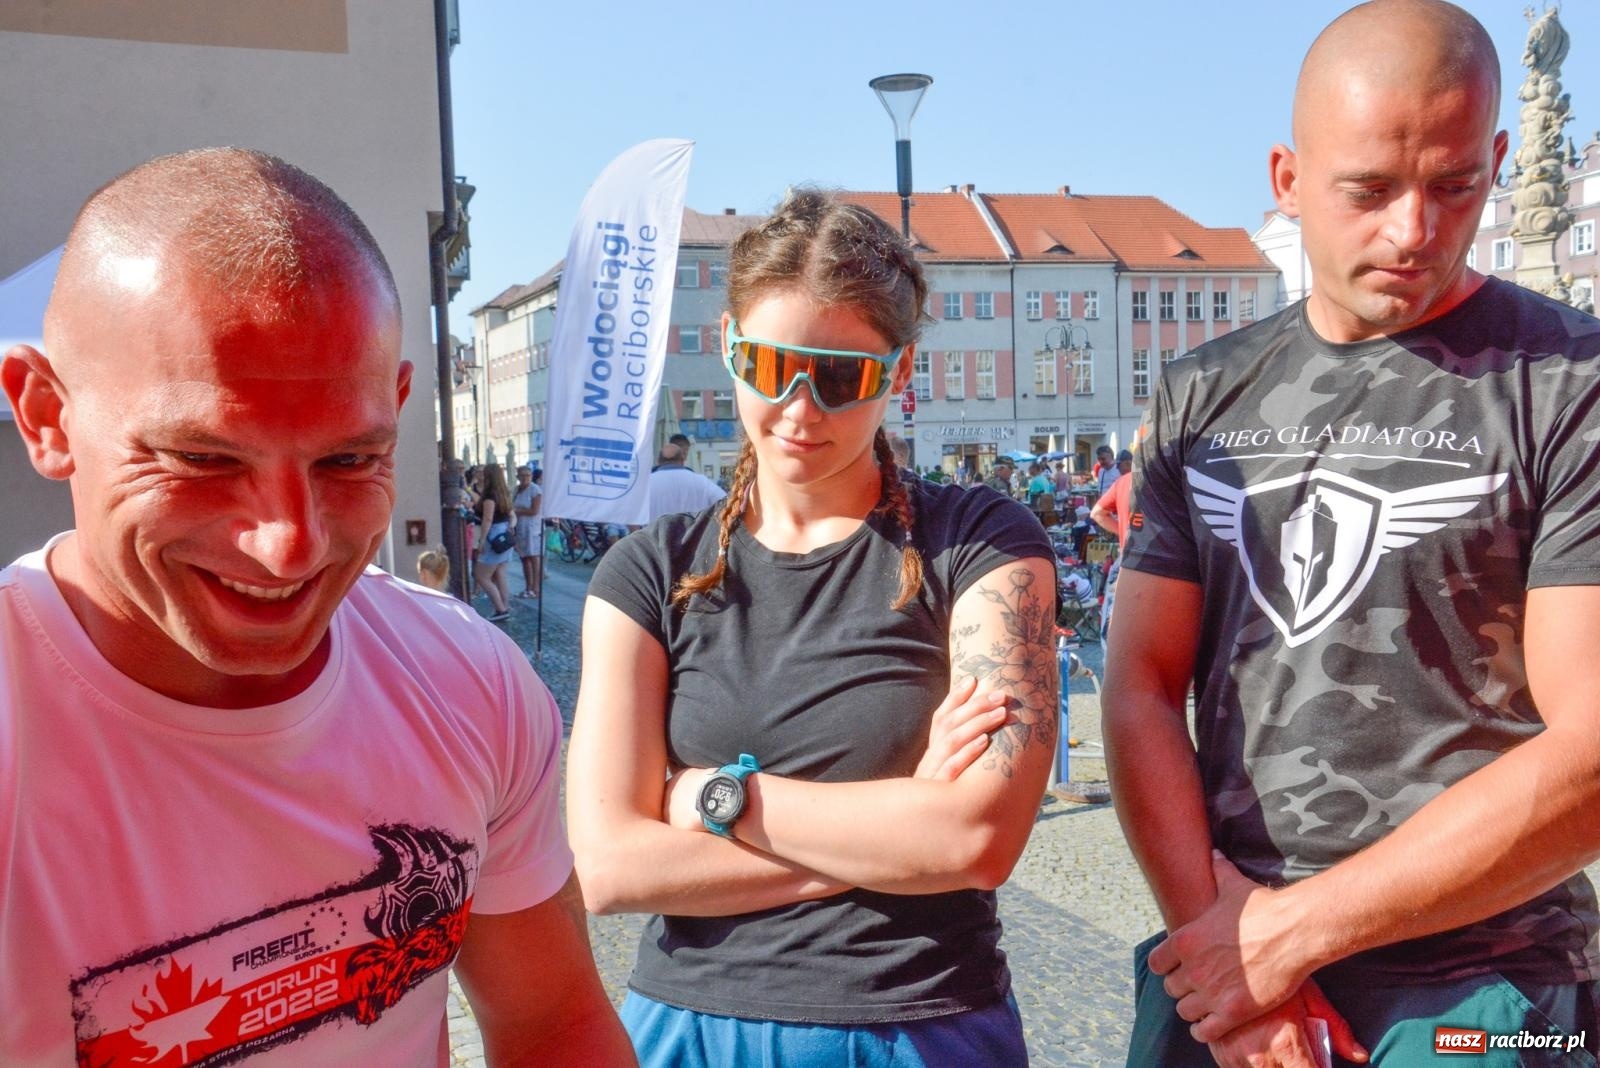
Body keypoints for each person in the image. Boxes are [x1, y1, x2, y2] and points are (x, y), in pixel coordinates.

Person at [0, 148, 632, 1067]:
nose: (289, 545)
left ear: (399, 406)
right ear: (48, 416)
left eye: (348, 460)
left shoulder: (468, 681)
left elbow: (553, 1025)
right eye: (202, 458)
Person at [1105, 3, 1600, 1066]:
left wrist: (1292, 936)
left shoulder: (1572, 382)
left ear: (1501, 158)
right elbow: (1141, 683)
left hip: (1484, 987)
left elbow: (1594, 749)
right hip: (1223, 953)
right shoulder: (1203, 392)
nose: (1413, 230)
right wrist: (1237, 952)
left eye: (1456, 185)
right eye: (1368, 191)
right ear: (1287, 179)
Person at [567, 189, 1057, 1066]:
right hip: (692, 1030)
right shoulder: (645, 575)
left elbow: (977, 839)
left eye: (839, 377)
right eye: (769, 364)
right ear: (727, 346)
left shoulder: (981, 546)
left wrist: (713, 798)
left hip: (917, 1027)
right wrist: (901, 841)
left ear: (899, 374)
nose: (798, 409)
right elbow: (609, 868)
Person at [473, 463, 515, 621]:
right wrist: (511, 527)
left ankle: (500, 609)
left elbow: (488, 519)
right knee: (500, 574)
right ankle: (505, 607)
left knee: (481, 576)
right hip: (504, 535)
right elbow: (512, 515)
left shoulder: (490, 495)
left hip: (494, 537)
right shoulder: (504, 493)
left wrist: (482, 541)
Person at [644, 441, 725, 522]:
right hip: (693, 533)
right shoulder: (701, 482)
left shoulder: (646, 484)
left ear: (658, 461)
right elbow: (724, 502)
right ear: (682, 461)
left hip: (654, 532)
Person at [513, 465, 543, 600]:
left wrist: (517, 511)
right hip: (520, 527)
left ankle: (535, 588)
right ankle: (528, 587)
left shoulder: (535, 490)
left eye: (528, 475)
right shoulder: (516, 490)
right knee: (524, 557)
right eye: (522, 475)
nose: (525, 478)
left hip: (532, 528)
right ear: (517, 477)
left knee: (534, 557)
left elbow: (534, 510)